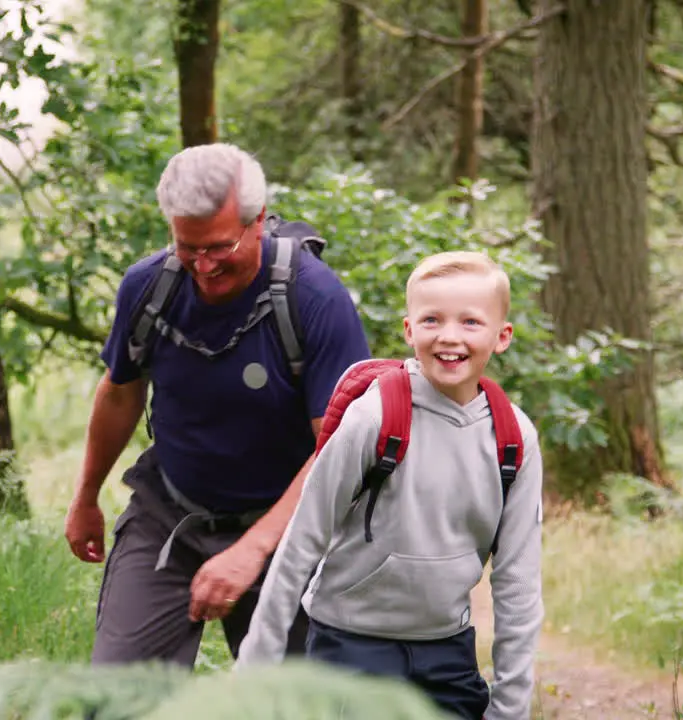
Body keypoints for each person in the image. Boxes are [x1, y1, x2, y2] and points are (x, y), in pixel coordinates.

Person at [64, 142, 373, 668]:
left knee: (293, 708)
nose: (204, 267)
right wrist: (86, 495)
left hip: (287, 528)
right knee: (115, 697)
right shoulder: (148, 288)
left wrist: (253, 549)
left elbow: (339, 449)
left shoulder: (314, 299)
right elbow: (119, 391)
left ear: (258, 222)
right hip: (170, 513)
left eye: (219, 247)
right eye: (188, 247)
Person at [234, 251, 544, 720]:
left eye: (470, 322)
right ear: (408, 330)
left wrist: (510, 707)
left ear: (502, 336)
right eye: (432, 319)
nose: (449, 336)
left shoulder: (514, 438)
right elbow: (302, 542)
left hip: (447, 651)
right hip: (351, 645)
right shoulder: (374, 416)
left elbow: (517, 583)